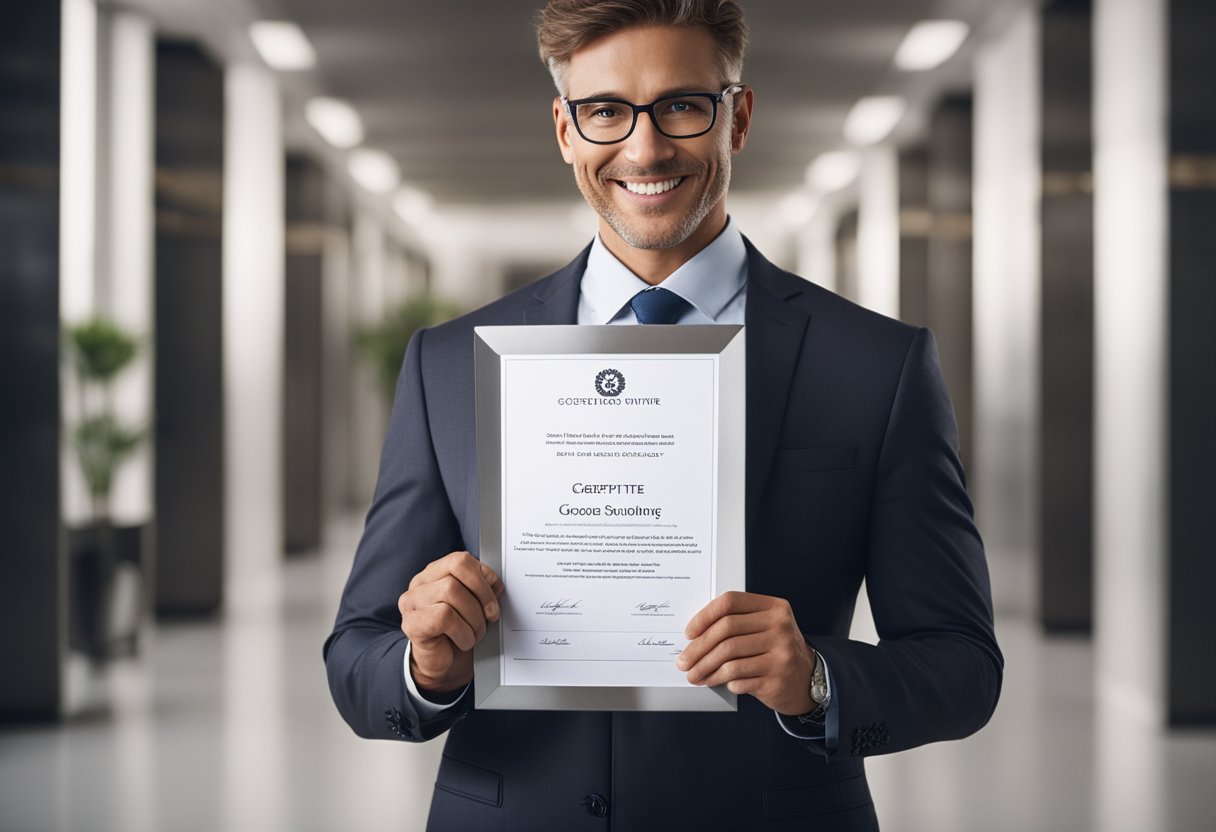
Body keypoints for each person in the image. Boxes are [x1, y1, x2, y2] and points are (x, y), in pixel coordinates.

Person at [324, 1, 1003, 829]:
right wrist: (427, 666)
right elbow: (356, 654)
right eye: (605, 110)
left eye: (682, 105)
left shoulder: (876, 367)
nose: (644, 149)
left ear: (738, 116)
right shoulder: (449, 362)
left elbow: (963, 665)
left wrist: (817, 679)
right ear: (565, 129)